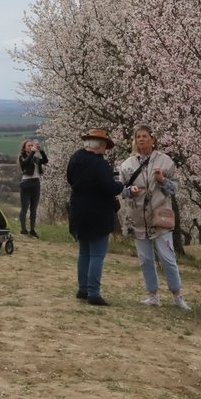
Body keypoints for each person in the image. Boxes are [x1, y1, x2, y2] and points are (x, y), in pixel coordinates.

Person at [119, 125, 191, 310]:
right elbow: (121, 190)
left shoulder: (165, 161)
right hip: (138, 219)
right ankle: (152, 295)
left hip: (160, 218)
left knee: (167, 258)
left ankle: (177, 295)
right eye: (138, 137)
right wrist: (129, 191)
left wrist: (162, 180)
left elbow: (174, 189)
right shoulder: (127, 164)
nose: (141, 140)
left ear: (152, 138)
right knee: (145, 259)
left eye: (144, 136)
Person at [67, 128, 124, 306]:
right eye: (105, 146)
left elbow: (70, 179)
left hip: (78, 210)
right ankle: (94, 292)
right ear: (100, 146)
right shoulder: (100, 164)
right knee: (97, 255)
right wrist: (121, 185)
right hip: (98, 212)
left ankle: (83, 288)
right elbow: (109, 187)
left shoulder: (75, 158)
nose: (105, 150)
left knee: (84, 253)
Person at [18, 139, 48, 238]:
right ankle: (23, 229)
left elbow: (45, 161)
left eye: (32, 145)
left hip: (36, 182)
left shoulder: (35, 158)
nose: (31, 147)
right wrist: (33, 152)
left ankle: (32, 230)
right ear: (24, 148)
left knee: (34, 208)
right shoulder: (21, 157)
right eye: (28, 145)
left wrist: (41, 151)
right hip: (26, 182)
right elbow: (25, 162)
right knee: (25, 206)